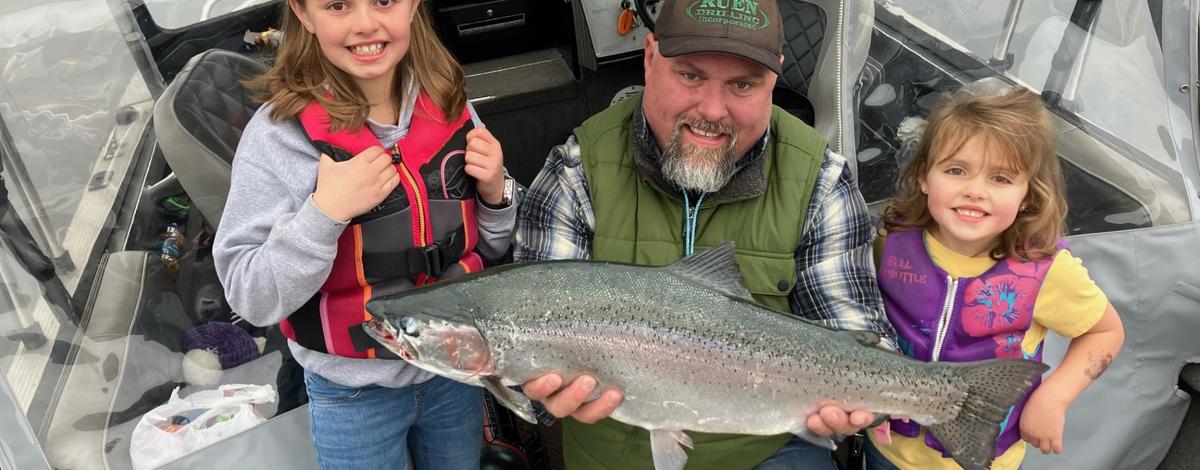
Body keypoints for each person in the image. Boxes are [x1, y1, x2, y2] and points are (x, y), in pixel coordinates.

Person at [513, 0, 898, 467]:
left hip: (766, 447)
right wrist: (532, 389)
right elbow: (526, 328)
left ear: (774, 78)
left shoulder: (820, 180)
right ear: (650, 57)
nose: (712, 111)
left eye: (742, 84)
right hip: (616, 447)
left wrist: (866, 400)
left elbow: (851, 324)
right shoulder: (577, 172)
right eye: (691, 76)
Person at [213, 0, 517, 468]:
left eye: (384, 1)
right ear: (304, 13)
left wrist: (496, 194)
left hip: (454, 373)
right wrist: (323, 214)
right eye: (337, 5)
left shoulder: (452, 106)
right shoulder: (277, 138)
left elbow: (493, 250)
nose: (365, 24)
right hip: (351, 396)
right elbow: (249, 296)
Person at [863, 84, 1125, 470]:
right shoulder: (892, 239)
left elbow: (1105, 332)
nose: (974, 191)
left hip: (980, 460)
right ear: (923, 176)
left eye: (1000, 179)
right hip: (886, 448)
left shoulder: (1048, 270)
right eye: (956, 170)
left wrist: (1053, 398)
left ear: (1028, 195)